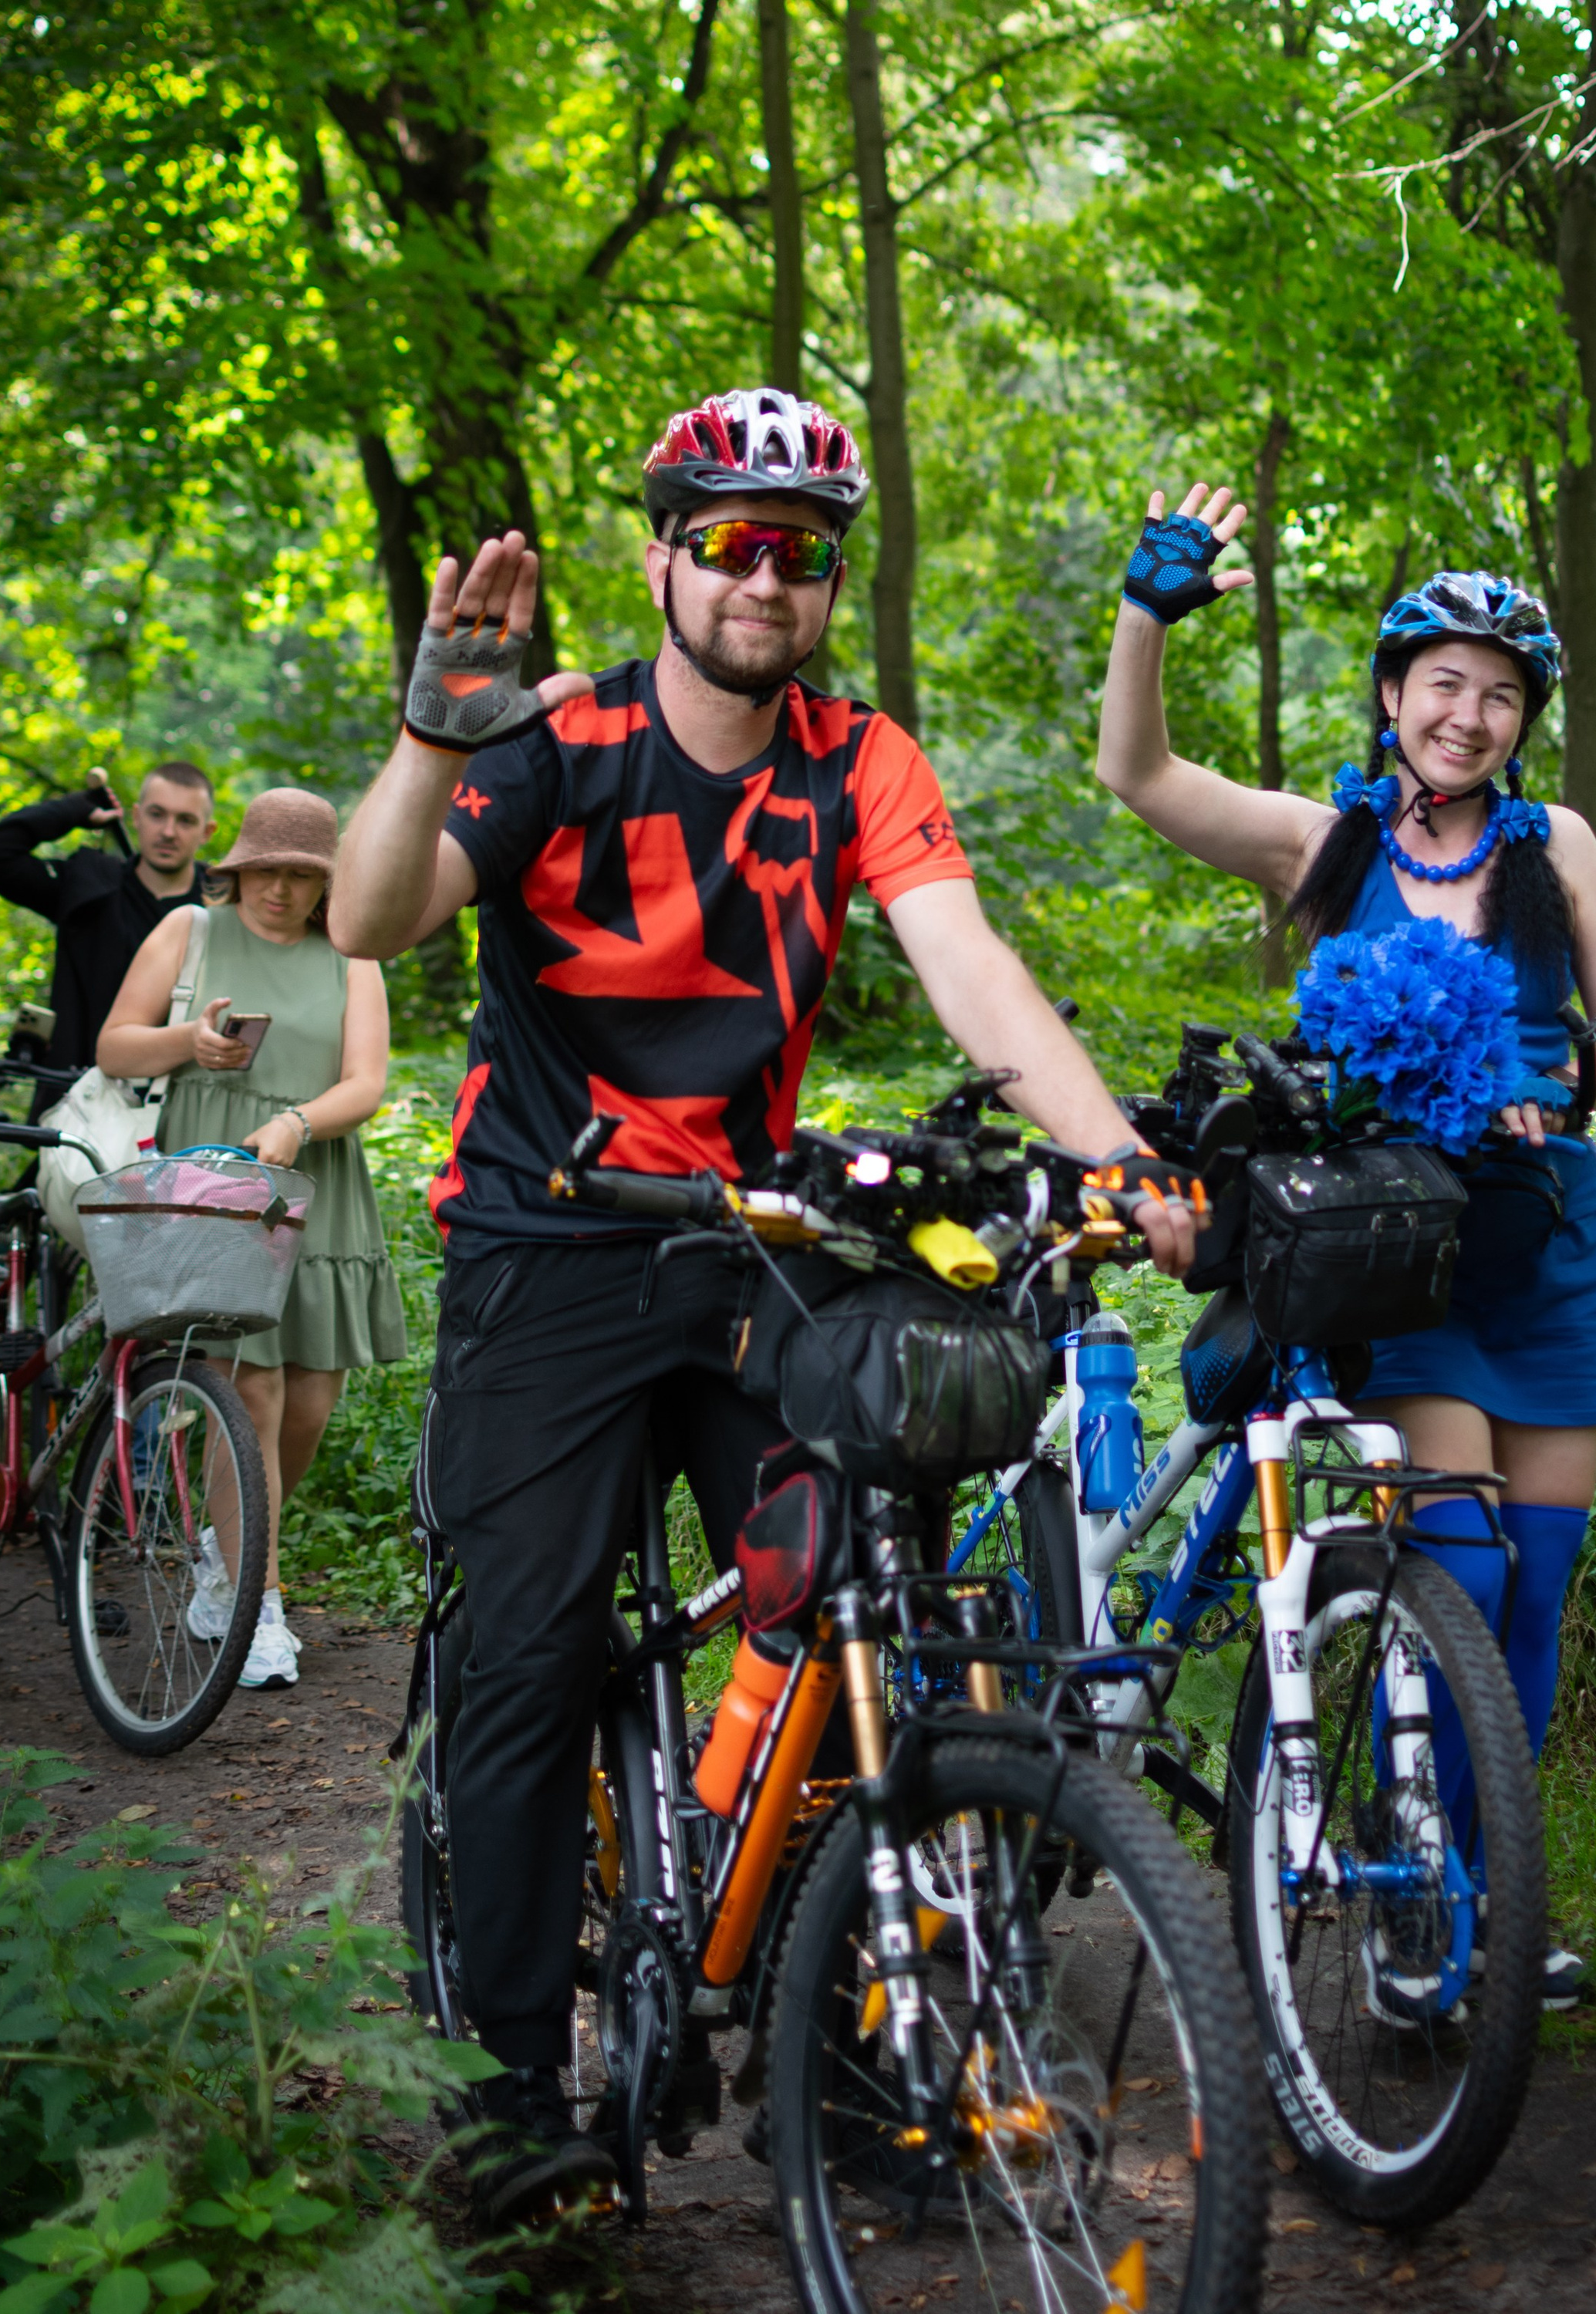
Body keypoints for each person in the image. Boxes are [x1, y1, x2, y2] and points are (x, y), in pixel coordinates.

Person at [329, 384, 1198, 2226]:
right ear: (660, 557)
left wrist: (1119, 1161)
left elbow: (968, 965)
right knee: (531, 1648)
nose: (759, 576)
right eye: (722, 539)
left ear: (821, 584)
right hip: (543, 1242)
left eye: (795, 551)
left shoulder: (855, 757)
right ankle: (503, 2098)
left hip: (740, 1240)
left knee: (871, 1587)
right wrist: (424, 738)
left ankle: (876, 2053)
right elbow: (370, 920)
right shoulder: (556, 739)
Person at [1099, 484, 1596, 2010]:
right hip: (1398, 1260)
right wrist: (1147, 613)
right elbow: (1137, 774)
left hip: (1544, 1250)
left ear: (1517, 721)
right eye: (1441, 686)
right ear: (1388, 695)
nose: (1466, 716)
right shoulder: (1329, 843)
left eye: (1496, 696)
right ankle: (1412, 1879)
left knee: (1534, 1598)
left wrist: (1551, 1082)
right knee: (1462, 1573)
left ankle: (1478, 1893)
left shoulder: (1558, 850)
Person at [98, 788, 404, 1693]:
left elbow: (368, 1083)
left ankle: (221, 1547)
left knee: (309, 1401)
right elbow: (115, 1046)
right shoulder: (188, 931)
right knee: (255, 1394)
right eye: (266, 868)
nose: (280, 888)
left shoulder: (353, 957)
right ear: (238, 867)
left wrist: (298, 1122)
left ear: (327, 886)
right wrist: (188, 1043)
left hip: (315, 1187)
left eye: (303, 876)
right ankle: (254, 1607)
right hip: (215, 1186)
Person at [0, 762, 216, 1109]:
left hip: (183, 1108)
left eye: (186, 820)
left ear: (207, 831)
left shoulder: (224, 907)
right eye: (157, 815)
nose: (169, 832)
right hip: (78, 1105)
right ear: (136, 816)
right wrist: (71, 810)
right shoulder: (89, 887)